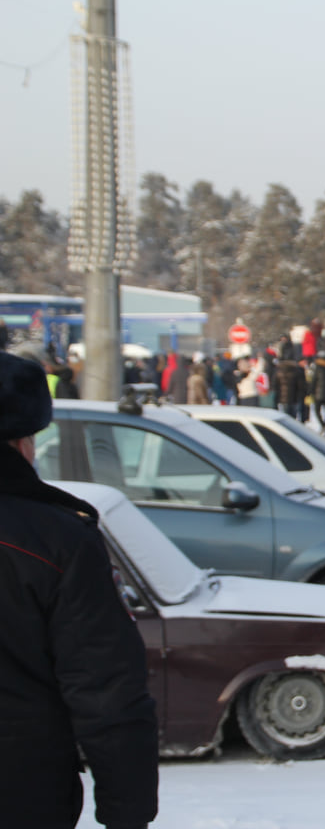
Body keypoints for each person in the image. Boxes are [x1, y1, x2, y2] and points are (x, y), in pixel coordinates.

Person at [0, 350, 159, 828]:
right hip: (22, 793)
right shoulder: (57, 541)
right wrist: (127, 814)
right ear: (21, 442)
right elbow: (106, 688)